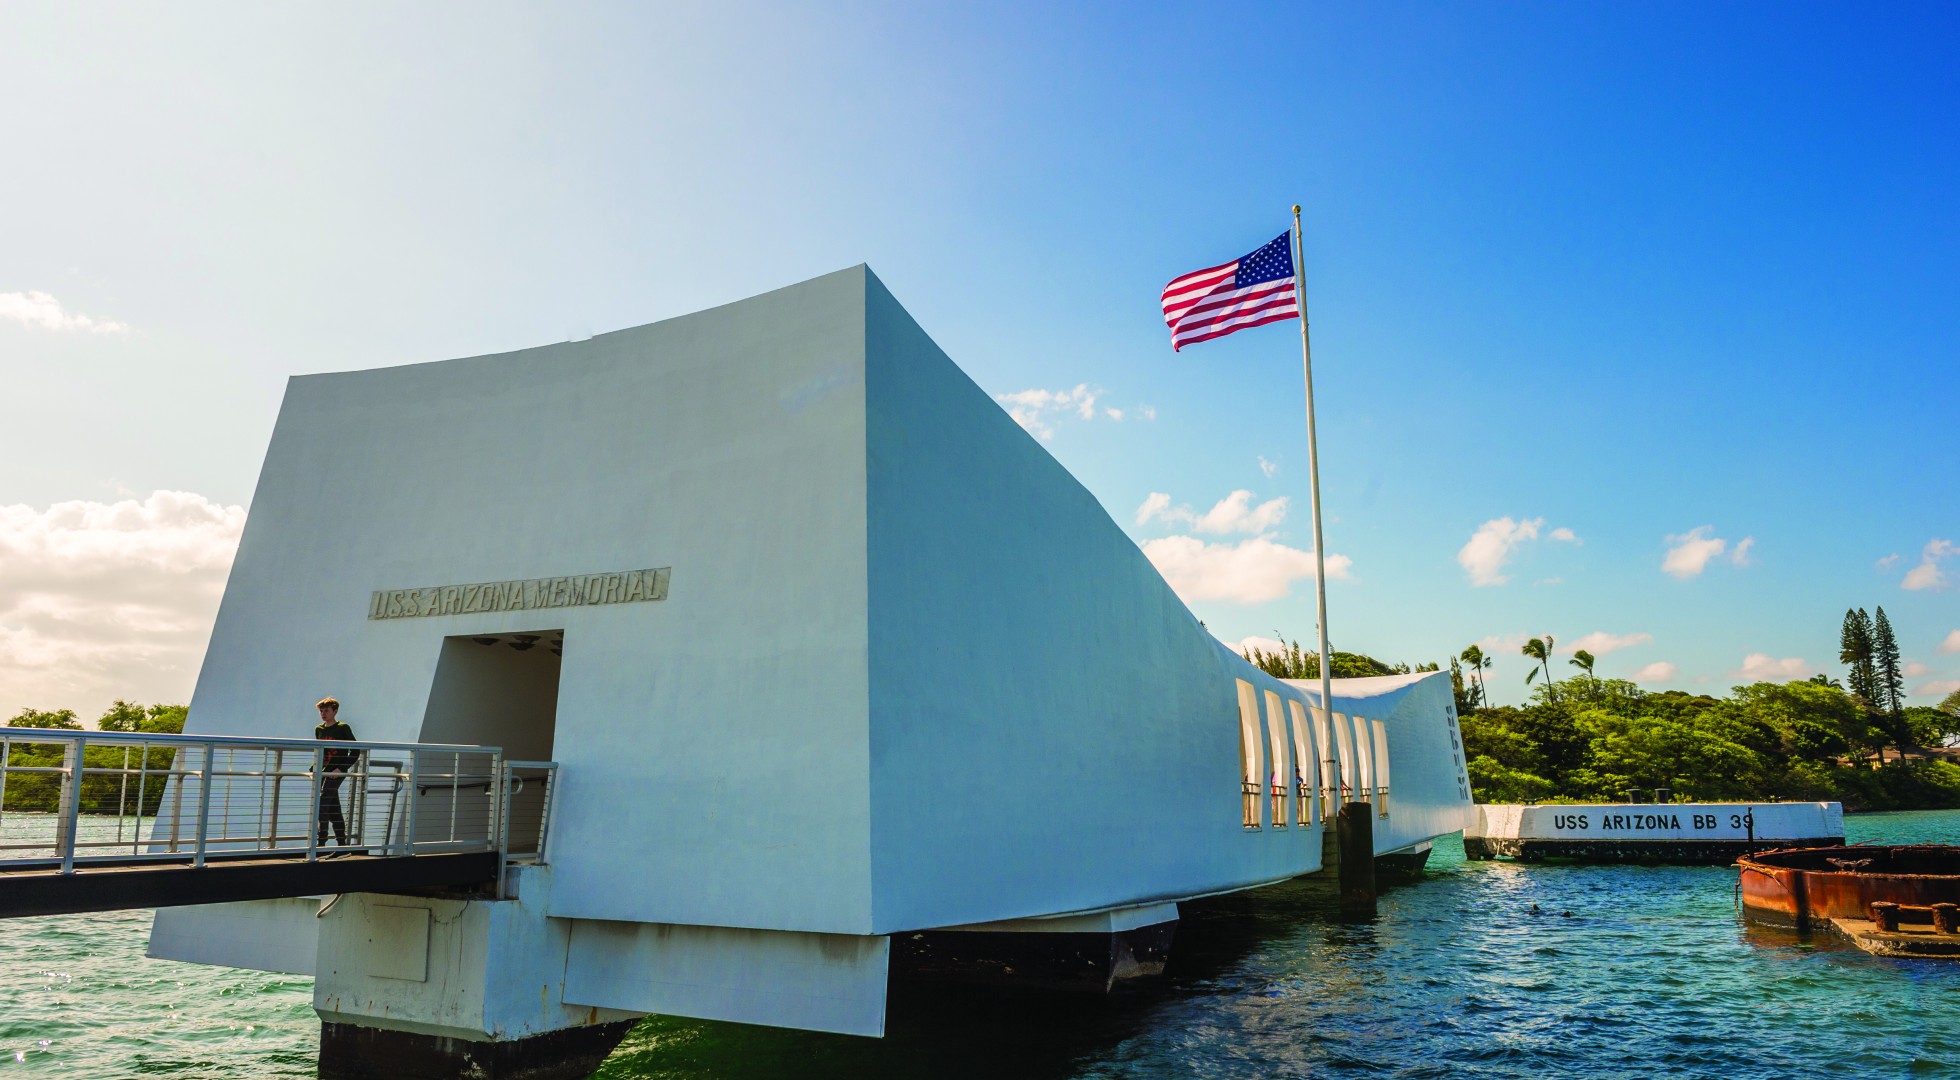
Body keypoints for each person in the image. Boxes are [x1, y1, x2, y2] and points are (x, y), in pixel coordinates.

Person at [314, 698, 358, 846]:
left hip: (337, 772)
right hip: (324, 772)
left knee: (323, 800)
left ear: (335, 711)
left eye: (326, 710)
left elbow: (355, 751)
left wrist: (341, 768)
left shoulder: (342, 728)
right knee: (334, 808)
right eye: (321, 711)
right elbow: (320, 752)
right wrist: (315, 768)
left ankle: (321, 841)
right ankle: (342, 844)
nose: (323, 713)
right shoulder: (319, 729)